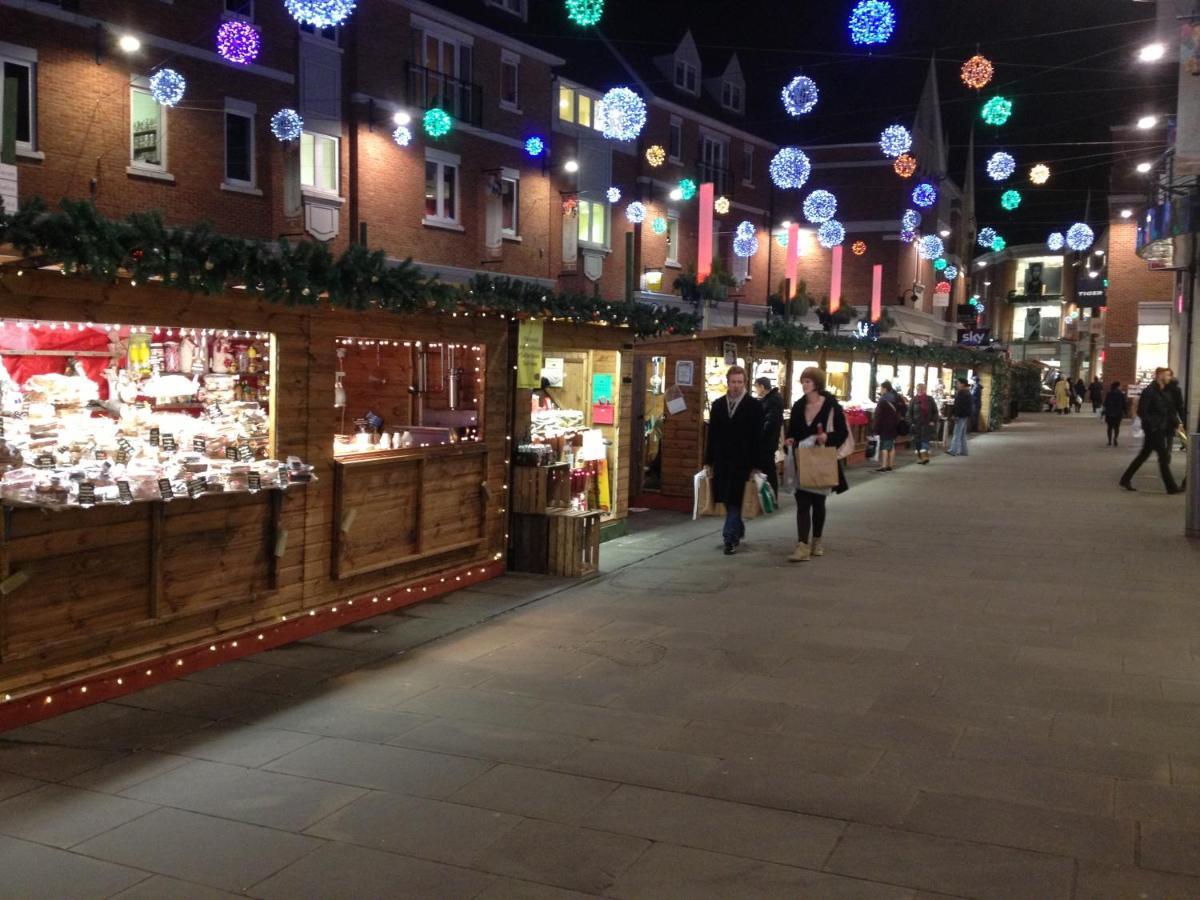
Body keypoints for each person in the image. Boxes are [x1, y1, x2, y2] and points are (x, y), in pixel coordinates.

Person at [784, 367, 849, 562]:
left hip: (821, 460)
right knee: (802, 503)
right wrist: (790, 440)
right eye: (802, 381)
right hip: (802, 459)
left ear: (817, 384)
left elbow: (842, 432)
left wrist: (826, 437)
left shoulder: (831, 406)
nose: (804, 385)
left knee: (818, 503)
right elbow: (792, 431)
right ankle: (802, 545)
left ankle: (817, 540)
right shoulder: (798, 406)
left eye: (808, 382)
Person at [704, 365, 764, 555]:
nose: (736, 386)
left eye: (739, 382)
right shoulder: (718, 405)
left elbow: (758, 437)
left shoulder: (753, 406)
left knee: (735, 499)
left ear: (744, 383)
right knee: (729, 499)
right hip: (722, 460)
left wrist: (756, 465)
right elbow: (711, 434)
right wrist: (709, 460)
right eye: (733, 382)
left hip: (743, 461)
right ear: (727, 383)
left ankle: (729, 537)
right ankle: (737, 531)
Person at [1120, 367, 1182, 493]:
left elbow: (1168, 411)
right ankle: (1171, 487)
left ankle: (1125, 478)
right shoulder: (1149, 391)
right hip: (1154, 429)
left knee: (1144, 455)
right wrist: (1151, 426)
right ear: (1159, 376)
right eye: (1167, 375)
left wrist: (1177, 424)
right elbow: (1142, 410)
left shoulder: (1164, 392)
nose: (1169, 378)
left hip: (1160, 427)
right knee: (1163, 457)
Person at [754, 375, 785, 496]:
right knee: (768, 467)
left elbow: (770, 421)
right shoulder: (772, 398)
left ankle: (771, 495)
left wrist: (760, 433)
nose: (756, 390)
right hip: (769, 440)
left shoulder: (772, 400)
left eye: (756, 387)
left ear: (762, 386)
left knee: (768, 468)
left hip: (767, 441)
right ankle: (770, 495)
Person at [871, 380, 899, 472]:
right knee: (891, 445)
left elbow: (878, 415)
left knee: (884, 446)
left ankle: (883, 466)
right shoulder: (895, 398)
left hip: (884, 426)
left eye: (881, 388)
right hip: (894, 425)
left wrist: (875, 427)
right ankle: (890, 465)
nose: (880, 390)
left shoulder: (883, 400)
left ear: (885, 389)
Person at [908, 382, 939, 465]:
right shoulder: (914, 400)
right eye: (918, 389)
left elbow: (935, 411)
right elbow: (909, 412)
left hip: (927, 424)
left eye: (922, 388)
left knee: (925, 441)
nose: (920, 390)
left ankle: (925, 457)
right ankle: (920, 457)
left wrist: (933, 421)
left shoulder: (930, 399)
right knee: (918, 442)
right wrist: (911, 422)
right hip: (916, 424)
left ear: (925, 389)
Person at [948, 378, 972, 456]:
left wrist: (956, 415)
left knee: (957, 433)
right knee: (962, 434)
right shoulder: (967, 392)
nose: (956, 385)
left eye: (958, 383)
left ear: (962, 384)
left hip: (961, 415)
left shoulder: (962, 393)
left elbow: (958, 406)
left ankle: (953, 450)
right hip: (965, 415)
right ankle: (964, 451)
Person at [1164, 369, 1187, 451]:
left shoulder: (1165, 388)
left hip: (1165, 413)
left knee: (1167, 432)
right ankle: (1185, 443)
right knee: (1179, 430)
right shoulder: (1177, 389)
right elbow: (1180, 404)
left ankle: (1166, 449)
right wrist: (1182, 416)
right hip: (1174, 413)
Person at [1103, 380, 1126, 447]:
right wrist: (1125, 411)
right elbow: (1123, 404)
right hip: (1118, 413)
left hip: (1109, 413)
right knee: (1116, 427)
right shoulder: (1121, 394)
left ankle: (1109, 441)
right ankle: (1115, 439)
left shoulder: (1109, 393)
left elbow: (1105, 403)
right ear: (1118, 386)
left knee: (1109, 427)